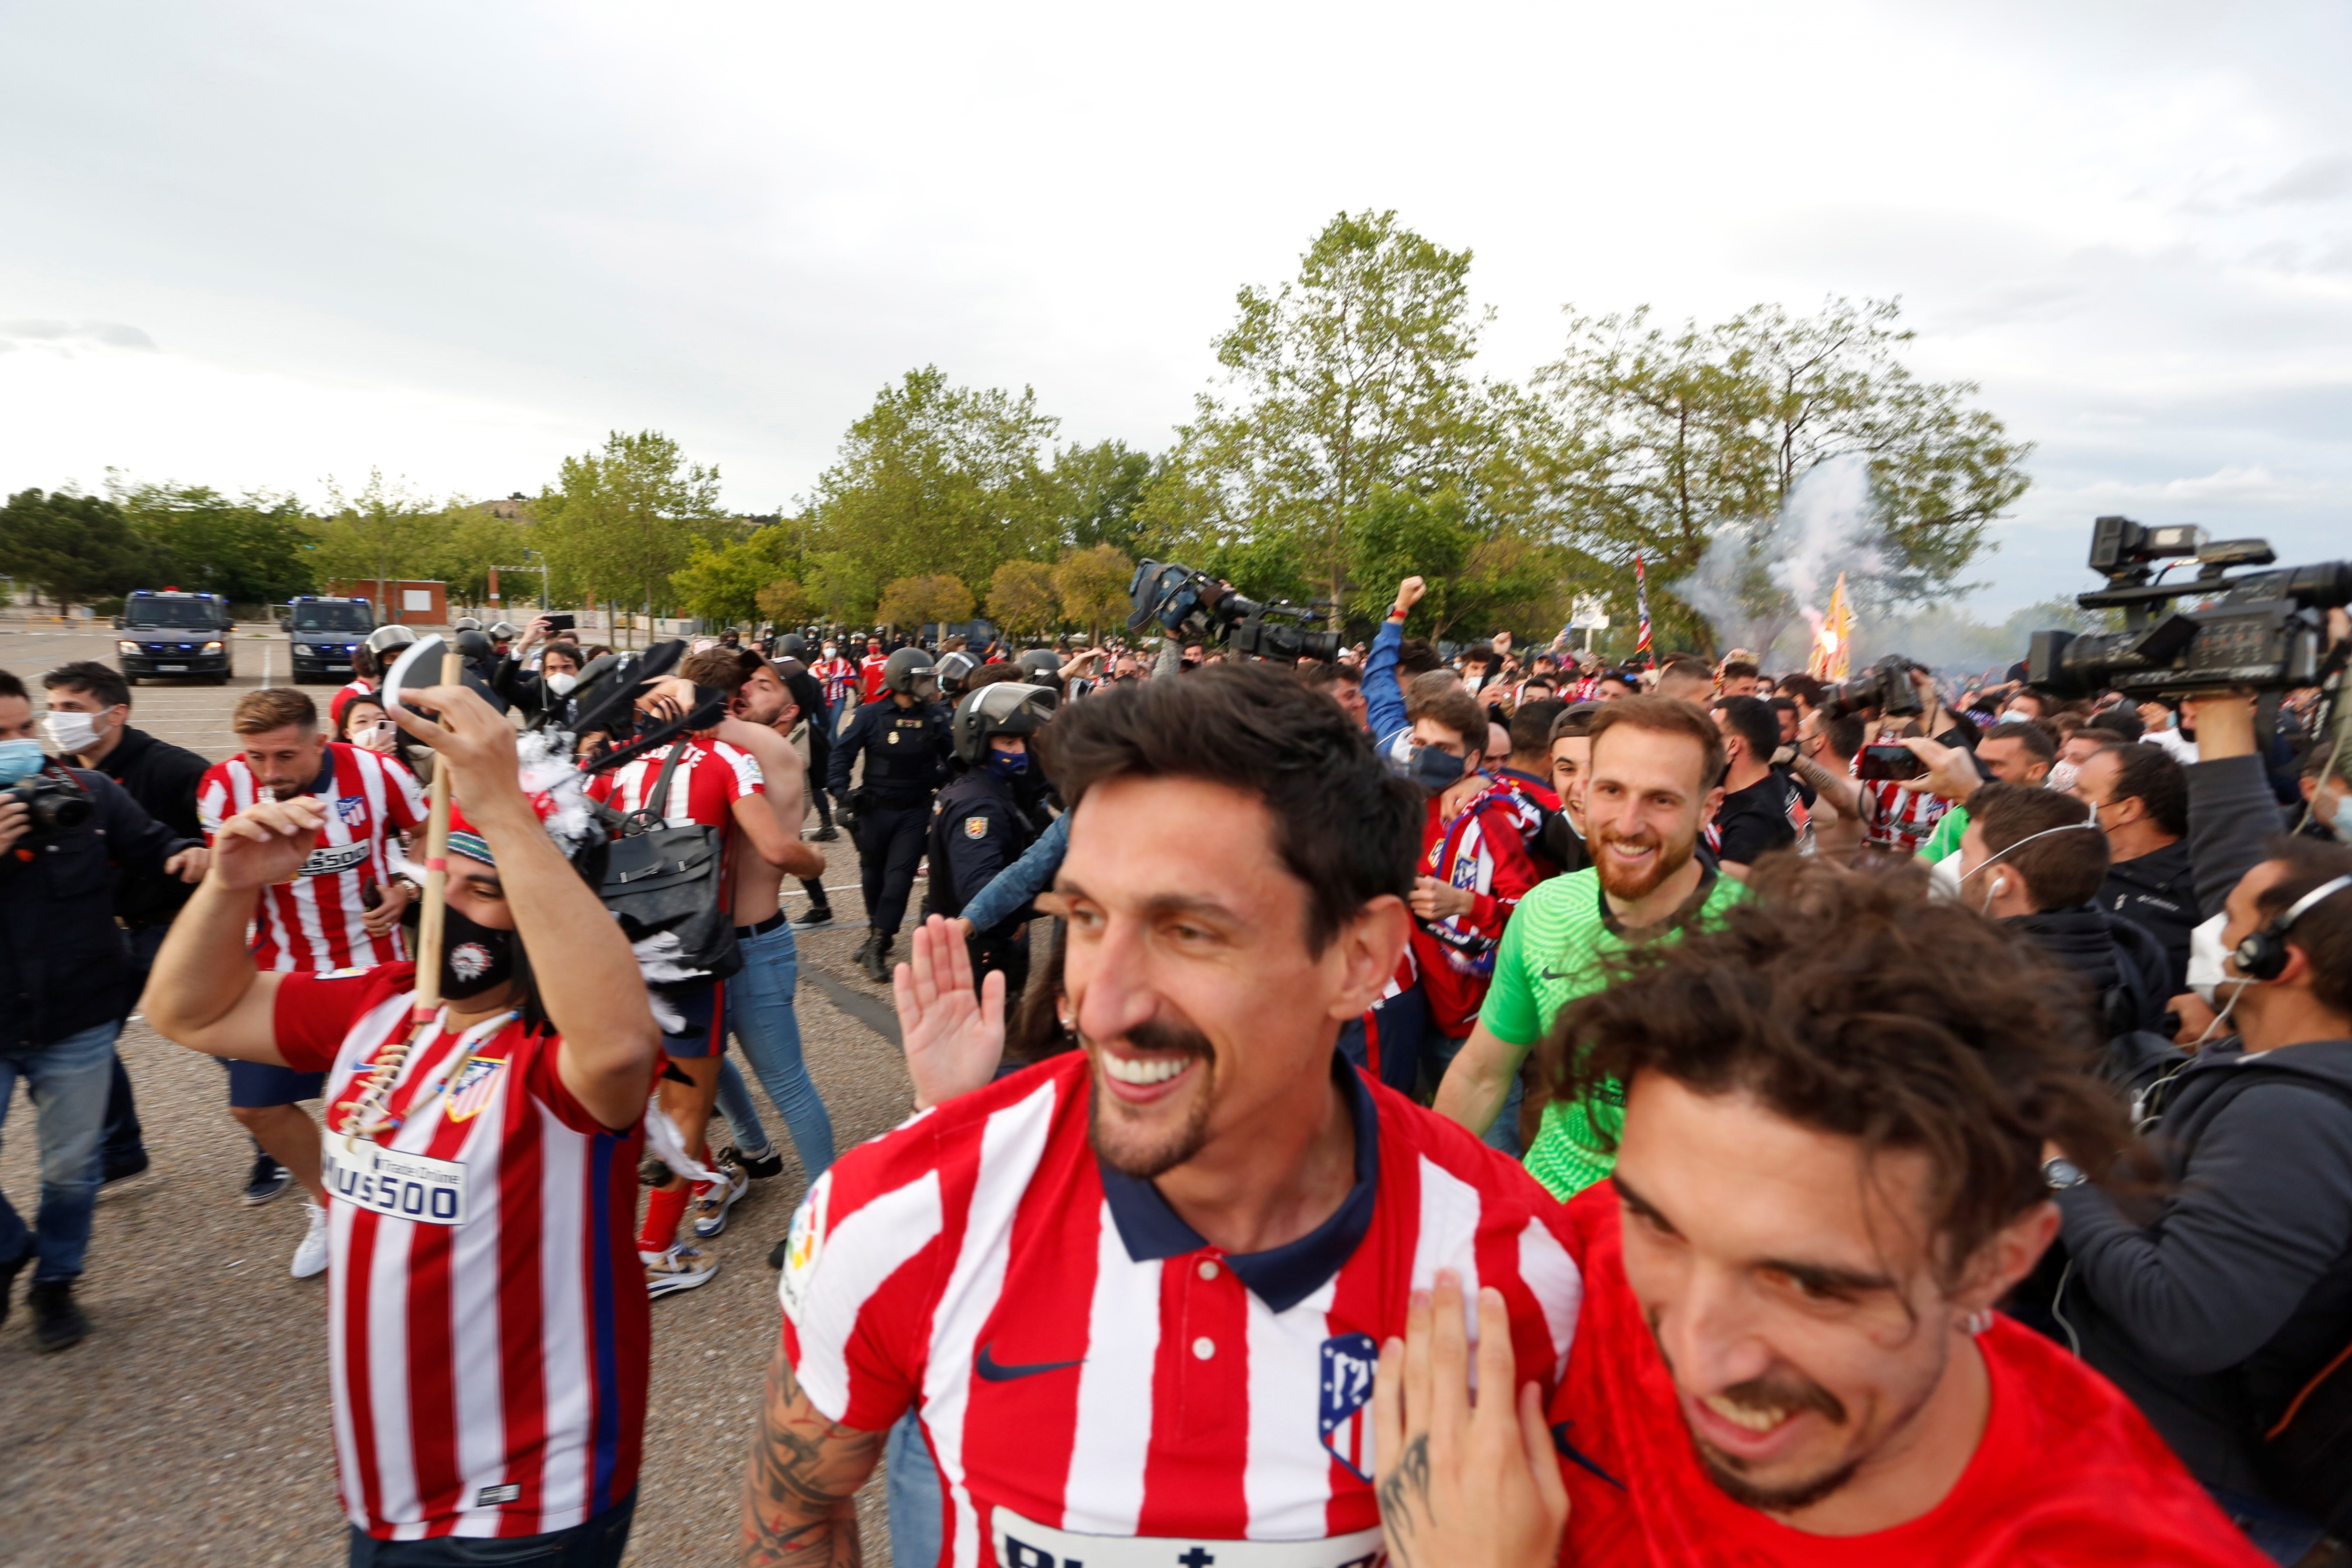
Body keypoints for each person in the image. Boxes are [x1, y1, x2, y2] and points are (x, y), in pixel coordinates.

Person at [738, 667, 1582, 1568]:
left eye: (1189, 932)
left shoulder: (1515, 1264)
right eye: (1089, 919)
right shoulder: (900, 1211)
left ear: (1360, 957)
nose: (1099, 1008)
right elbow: (795, 1511)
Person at [1373, 860, 2267, 1568]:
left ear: (1996, 1260)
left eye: (1809, 1283)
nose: (1697, 1354)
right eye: (1662, 1227)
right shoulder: (1586, 1252)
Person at [145, 680, 662, 1566]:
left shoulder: (555, 1056)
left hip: (521, 1505)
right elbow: (185, 1013)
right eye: (443, 879)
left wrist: (502, 808)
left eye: (488, 890)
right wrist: (230, 888)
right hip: (384, 1486)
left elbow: (618, 1049)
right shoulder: (385, 1005)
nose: (449, 906)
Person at [1432, 696, 1742, 1197]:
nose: (1627, 823)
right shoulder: (1544, 911)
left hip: (1684, 1237)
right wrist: (1427, 1184)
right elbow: (1482, 1073)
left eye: (1662, 800)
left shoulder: (1761, 940)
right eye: (1612, 791)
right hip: (1550, 1219)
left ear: (1709, 808)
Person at [0, 669, 205, 1350]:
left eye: (25, 728)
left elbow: (157, 845)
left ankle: (56, 1283)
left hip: (78, 1021)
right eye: (3, 735)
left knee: (70, 1169)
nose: (22, 743)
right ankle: (9, 1250)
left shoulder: (86, 793)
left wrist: (193, 858)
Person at [586, 670, 802, 1296]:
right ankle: (655, 1250)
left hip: (618, 955)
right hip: (690, 954)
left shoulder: (610, 770)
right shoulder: (729, 759)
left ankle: (711, 1181)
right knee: (685, 1107)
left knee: (656, 1093)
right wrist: (810, 860)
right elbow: (775, 846)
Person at [197, 686, 427, 1276]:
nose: (269, 774)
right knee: (254, 1107)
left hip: (378, 975)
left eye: (284, 757)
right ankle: (331, 1207)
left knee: (391, 1113)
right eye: (256, 758)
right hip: (284, 975)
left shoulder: (380, 772)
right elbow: (225, 883)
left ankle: (406, 1225)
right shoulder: (223, 788)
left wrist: (409, 887)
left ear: (321, 743)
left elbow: (427, 838)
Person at [673, 648, 834, 1246]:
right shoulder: (731, 748)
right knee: (704, 1062)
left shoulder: (752, 748)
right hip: (710, 942)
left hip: (752, 942)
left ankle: (827, 1211)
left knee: (786, 1083)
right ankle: (751, 1145)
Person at [40, 659, 210, 1183]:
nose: (56, 720)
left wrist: (204, 860)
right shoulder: (60, 775)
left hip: (174, 927)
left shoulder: (170, 768)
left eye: (71, 708)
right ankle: (121, 1150)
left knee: (219, 1036)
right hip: (110, 934)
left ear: (115, 714)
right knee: (84, 1041)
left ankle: (269, 1134)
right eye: (51, 709)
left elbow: (228, 821)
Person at [1405, 680, 1542, 1154]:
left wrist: (1464, 904)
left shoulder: (1488, 818)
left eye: (1441, 748)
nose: (1425, 756)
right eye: (1419, 744)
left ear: (1470, 760)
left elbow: (1529, 916)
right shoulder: (1394, 804)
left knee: (1490, 1161)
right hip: (1408, 1016)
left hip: (1471, 1027)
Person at [1956, 784, 2171, 1038]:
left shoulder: (1979, 986)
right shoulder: (2136, 950)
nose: (1958, 865)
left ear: (2000, 880)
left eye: (1965, 854)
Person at [922, 682, 1053, 1004]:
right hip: (977, 953)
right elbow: (979, 889)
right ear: (978, 741)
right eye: (1008, 743)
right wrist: (1047, 902)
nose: (1019, 752)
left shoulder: (985, 790)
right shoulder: (979, 806)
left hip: (981, 943)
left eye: (1021, 742)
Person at [827, 647, 952, 983]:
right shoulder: (870, 715)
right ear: (901, 680)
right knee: (873, 877)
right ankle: (874, 931)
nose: (929, 684)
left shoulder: (936, 717)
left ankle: (879, 945)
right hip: (874, 811)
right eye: (922, 678)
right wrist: (842, 796)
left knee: (898, 881)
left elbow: (955, 759)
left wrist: (944, 786)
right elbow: (841, 756)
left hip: (914, 812)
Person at [2068, 740, 2198, 992]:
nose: (2070, 796)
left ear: (2128, 809)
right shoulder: (2071, 861)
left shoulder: (2200, 886)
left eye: (2082, 791)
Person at [1911, 718, 2056, 863]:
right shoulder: (1959, 815)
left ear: (2036, 771)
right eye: (1977, 762)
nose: (1977, 770)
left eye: (1994, 764)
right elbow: (1925, 865)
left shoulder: (2062, 824)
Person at [1708, 694, 1812, 878]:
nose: (1703, 740)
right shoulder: (1777, 776)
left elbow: (1727, 897)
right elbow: (1829, 816)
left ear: (1734, 745)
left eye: (1711, 732)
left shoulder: (1751, 824)